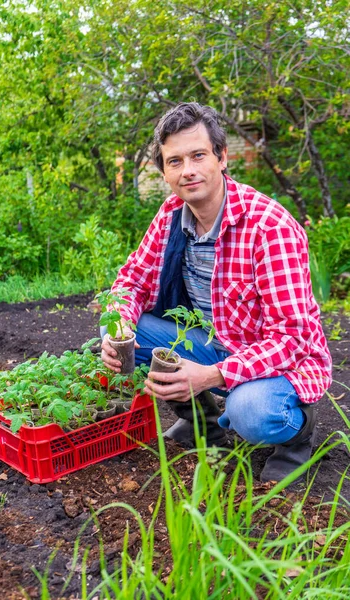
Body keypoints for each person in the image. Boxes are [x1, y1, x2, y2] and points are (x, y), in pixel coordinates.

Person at [101, 102, 332, 482]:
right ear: (165, 172)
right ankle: (203, 424)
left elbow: (293, 339)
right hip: (215, 343)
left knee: (251, 412)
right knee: (120, 332)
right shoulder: (171, 215)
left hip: (278, 365)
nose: (187, 170)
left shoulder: (269, 227)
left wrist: (210, 375)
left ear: (222, 157)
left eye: (198, 155)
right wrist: (119, 331)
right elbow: (132, 281)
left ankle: (297, 434)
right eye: (174, 161)